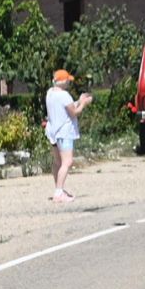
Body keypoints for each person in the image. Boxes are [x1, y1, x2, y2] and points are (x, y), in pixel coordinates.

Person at [43, 69, 91, 203]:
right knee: (67, 162)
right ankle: (59, 192)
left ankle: (59, 188)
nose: (69, 83)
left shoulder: (50, 93)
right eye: (68, 80)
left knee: (58, 162)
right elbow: (74, 112)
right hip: (64, 132)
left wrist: (78, 101)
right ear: (63, 81)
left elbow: (65, 107)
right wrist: (83, 103)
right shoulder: (64, 95)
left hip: (53, 131)